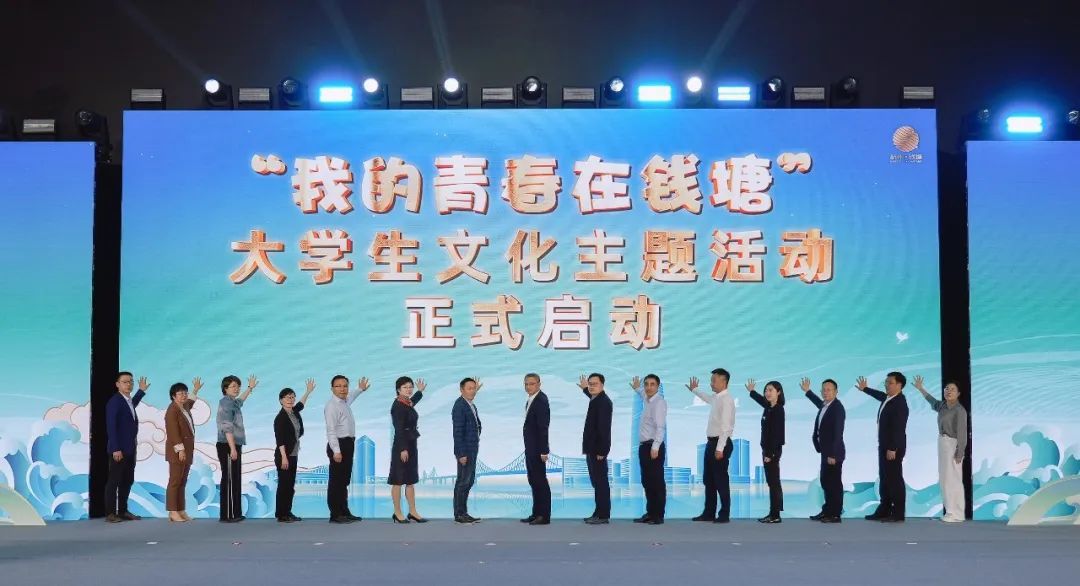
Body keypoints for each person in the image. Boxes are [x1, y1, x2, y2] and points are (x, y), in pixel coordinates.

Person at [855, 372, 910, 522]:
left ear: (899, 385)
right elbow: (879, 395)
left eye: (890, 382)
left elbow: (898, 428)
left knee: (894, 480)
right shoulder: (889, 398)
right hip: (885, 446)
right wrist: (865, 389)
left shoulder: (900, 403)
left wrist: (892, 448)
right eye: (886, 382)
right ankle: (884, 509)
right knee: (885, 478)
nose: (886, 385)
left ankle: (898, 513)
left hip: (893, 448)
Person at [913, 375, 968, 523]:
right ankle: (951, 511)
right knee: (945, 479)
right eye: (946, 389)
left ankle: (955, 513)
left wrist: (960, 452)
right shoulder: (943, 406)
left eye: (952, 389)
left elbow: (962, 433)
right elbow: (932, 401)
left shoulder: (959, 410)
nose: (948, 391)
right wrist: (921, 389)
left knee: (953, 479)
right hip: (943, 443)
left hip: (953, 444)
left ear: (958, 393)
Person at [685, 368, 735, 523]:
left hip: (720, 444)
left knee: (720, 481)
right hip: (711, 443)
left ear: (724, 381)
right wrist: (694, 390)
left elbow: (726, 427)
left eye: (714, 380)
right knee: (709, 480)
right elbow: (706, 398)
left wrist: (720, 448)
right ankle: (709, 512)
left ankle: (724, 514)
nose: (711, 383)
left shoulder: (726, 400)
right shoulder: (717, 398)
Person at [105, 371, 149, 523]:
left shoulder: (127, 401)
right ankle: (110, 513)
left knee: (127, 480)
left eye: (131, 381)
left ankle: (123, 511)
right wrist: (115, 448)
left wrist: (141, 391)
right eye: (125, 382)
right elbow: (111, 427)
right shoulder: (115, 402)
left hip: (130, 448)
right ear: (117, 384)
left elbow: (131, 407)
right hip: (119, 450)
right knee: (114, 481)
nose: (129, 384)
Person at [325, 374, 370, 524]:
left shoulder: (344, 402)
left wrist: (360, 389)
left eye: (345, 386)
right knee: (336, 481)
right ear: (332, 388)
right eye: (338, 386)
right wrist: (336, 451)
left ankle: (344, 511)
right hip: (339, 445)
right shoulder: (331, 406)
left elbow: (352, 397)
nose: (342, 389)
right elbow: (331, 431)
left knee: (344, 481)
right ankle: (335, 514)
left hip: (348, 444)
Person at [801, 378, 846, 523]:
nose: (825, 392)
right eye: (823, 390)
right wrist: (808, 391)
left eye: (829, 390)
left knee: (834, 484)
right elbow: (817, 402)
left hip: (834, 453)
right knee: (826, 481)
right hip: (825, 451)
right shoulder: (825, 405)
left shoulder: (837, 408)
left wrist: (833, 454)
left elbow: (838, 433)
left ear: (836, 392)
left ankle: (835, 514)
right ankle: (827, 510)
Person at [273, 379, 315, 523]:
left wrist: (308, 391)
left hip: (293, 454)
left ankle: (288, 512)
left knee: (290, 486)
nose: (290, 399)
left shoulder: (294, 412)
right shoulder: (280, 418)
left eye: (292, 397)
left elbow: (301, 404)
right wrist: (284, 457)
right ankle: (281, 514)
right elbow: (280, 440)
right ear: (281, 400)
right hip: (284, 456)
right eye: (287, 397)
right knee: (284, 485)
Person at [217, 374, 256, 523]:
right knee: (229, 479)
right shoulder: (226, 403)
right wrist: (232, 448)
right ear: (225, 388)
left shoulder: (232, 402)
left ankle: (235, 513)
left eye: (238, 386)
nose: (237, 389)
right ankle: (227, 515)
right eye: (233, 386)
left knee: (235, 478)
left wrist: (250, 388)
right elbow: (227, 427)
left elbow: (241, 401)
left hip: (234, 444)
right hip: (227, 444)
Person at [745, 379, 785, 523]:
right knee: (772, 482)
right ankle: (774, 513)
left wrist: (770, 454)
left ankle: (775, 515)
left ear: (778, 392)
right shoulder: (769, 407)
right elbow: (762, 400)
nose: (767, 393)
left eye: (771, 390)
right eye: (766, 390)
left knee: (773, 483)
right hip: (768, 450)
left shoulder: (778, 409)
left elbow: (776, 434)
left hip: (772, 451)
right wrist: (752, 392)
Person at [389, 376, 427, 524]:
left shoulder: (407, 402)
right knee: (398, 480)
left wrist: (420, 391)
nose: (409, 389)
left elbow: (413, 400)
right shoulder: (397, 406)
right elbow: (399, 429)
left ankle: (412, 511)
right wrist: (403, 448)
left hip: (411, 443)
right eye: (405, 387)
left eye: (410, 386)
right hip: (402, 446)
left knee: (410, 480)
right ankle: (397, 513)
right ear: (398, 390)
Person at [630, 374, 668, 525]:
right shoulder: (647, 398)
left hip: (653, 447)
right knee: (647, 482)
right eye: (646, 384)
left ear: (658, 386)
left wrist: (656, 446)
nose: (648, 387)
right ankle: (650, 513)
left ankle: (658, 515)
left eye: (652, 384)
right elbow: (642, 393)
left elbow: (661, 427)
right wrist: (637, 388)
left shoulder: (659, 403)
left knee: (656, 483)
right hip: (644, 447)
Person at [577, 373, 613, 525]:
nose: (591, 386)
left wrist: (602, 451)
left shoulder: (604, 402)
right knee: (596, 483)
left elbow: (604, 429)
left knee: (601, 483)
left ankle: (603, 515)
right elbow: (591, 393)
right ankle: (598, 512)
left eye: (595, 384)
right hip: (591, 449)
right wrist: (585, 389)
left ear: (602, 385)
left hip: (598, 450)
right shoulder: (596, 398)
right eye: (590, 384)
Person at [164, 378, 201, 523]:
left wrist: (195, 390)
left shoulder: (183, 407)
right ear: (173, 396)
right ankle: (173, 511)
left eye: (185, 393)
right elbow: (173, 432)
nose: (184, 395)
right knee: (175, 481)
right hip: (177, 452)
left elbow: (190, 401)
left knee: (182, 481)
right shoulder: (172, 410)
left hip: (186, 451)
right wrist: (180, 450)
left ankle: (180, 510)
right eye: (180, 393)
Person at [520, 372, 551, 525]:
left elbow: (543, 428)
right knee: (533, 480)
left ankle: (543, 516)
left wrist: (544, 450)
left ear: (539, 384)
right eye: (526, 384)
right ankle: (536, 513)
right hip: (531, 447)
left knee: (540, 481)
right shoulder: (532, 399)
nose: (528, 386)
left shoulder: (541, 400)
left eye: (531, 384)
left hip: (538, 449)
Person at [452, 377, 483, 524]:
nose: (473, 391)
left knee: (468, 481)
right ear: (461, 390)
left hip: (472, 448)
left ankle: (463, 512)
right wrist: (461, 453)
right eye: (469, 388)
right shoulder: (459, 406)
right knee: (463, 482)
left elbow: (476, 425)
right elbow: (457, 432)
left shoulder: (470, 404)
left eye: (474, 388)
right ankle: (459, 515)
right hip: (465, 451)